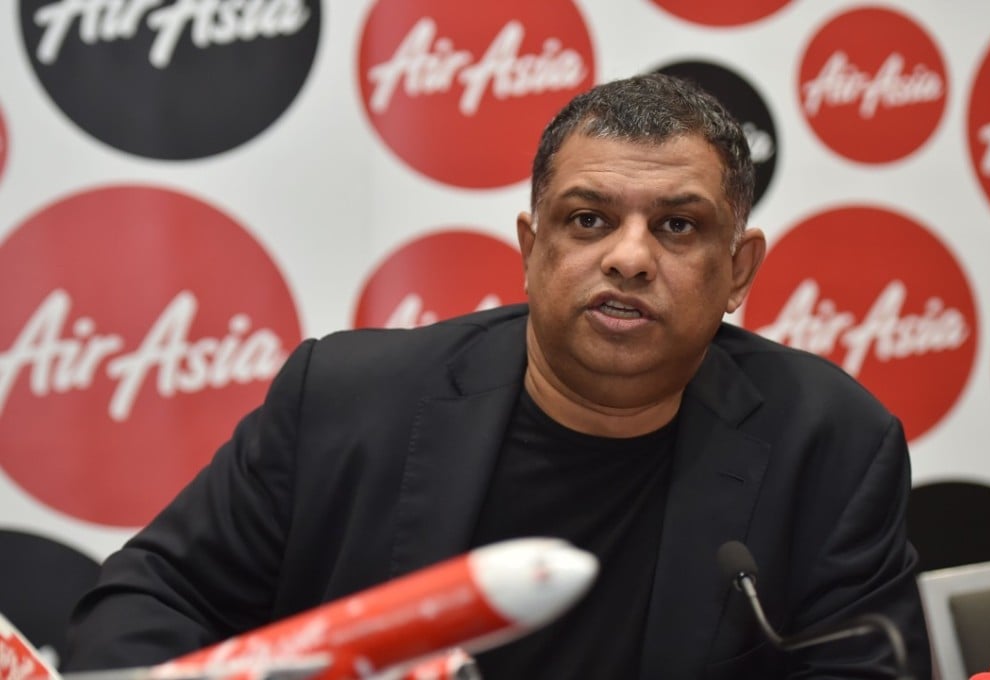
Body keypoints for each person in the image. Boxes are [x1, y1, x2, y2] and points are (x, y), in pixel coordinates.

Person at [63, 74, 931, 679]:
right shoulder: (343, 401)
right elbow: (145, 603)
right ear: (531, 249)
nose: (628, 258)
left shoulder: (832, 444)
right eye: (588, 219)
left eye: (676, 227)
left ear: (738, 270)